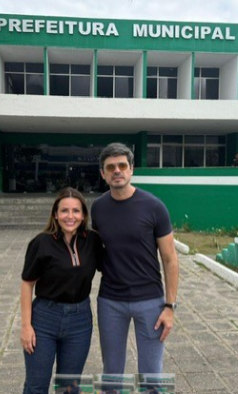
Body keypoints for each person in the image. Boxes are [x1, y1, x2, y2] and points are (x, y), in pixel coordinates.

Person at [91, 142, 179, 376]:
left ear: (132, 169)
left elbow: (170, 259)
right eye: (110, 167)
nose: (116, 171)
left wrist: (170, 306)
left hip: (150, 301)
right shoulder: (98, 208)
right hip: (110, 300)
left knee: (152, 372)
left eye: (122, 165)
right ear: (103, 173)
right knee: (112, 370)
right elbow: (96, 249)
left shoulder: (154, 206)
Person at [20, 187, 104, 394]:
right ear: (55, 214)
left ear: (83, 214)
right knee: (36, 385)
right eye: (64, 211)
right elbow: (27, 284)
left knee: (69, 387)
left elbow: (112, 266)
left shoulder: (92, 241)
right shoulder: (41, 243)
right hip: (44, 319)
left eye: (76, 211)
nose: (70, 216)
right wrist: (25, 327)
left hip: (80, 321)